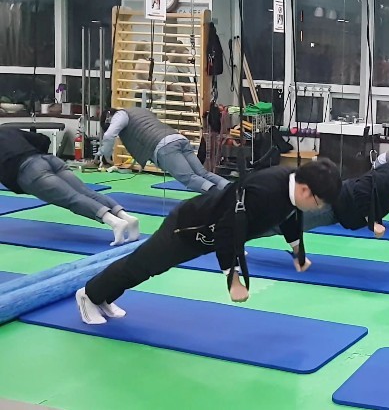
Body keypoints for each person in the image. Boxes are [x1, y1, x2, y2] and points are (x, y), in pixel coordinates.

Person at [75, 158, 342, 325]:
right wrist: (233, 281)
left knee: (149, 268)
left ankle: (104, 298)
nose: (318, 209)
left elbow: (289, 216)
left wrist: (297, 251)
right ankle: (89, 295)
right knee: (144, 264)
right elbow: (227, 231)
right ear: (305, 189)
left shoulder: (290, 188)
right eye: (319, 203)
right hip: (189, 227)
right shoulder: (265, 192)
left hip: (208, 232)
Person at [0, 126, 139, 246]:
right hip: (50, 160)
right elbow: (43, 139)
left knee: (72, 199)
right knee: (86, 192)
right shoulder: (6, 129)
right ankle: (126, 217)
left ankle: (115, 222)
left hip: (29, 171)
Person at [98, 107, 230, 193]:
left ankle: (218, 196)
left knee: (189, 178)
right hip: (178, 138)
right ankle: (231, 189)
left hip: (164, 146)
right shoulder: (138, 110)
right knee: (202, 173)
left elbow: (109, 135)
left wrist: (106, 155)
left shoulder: (120, 115)